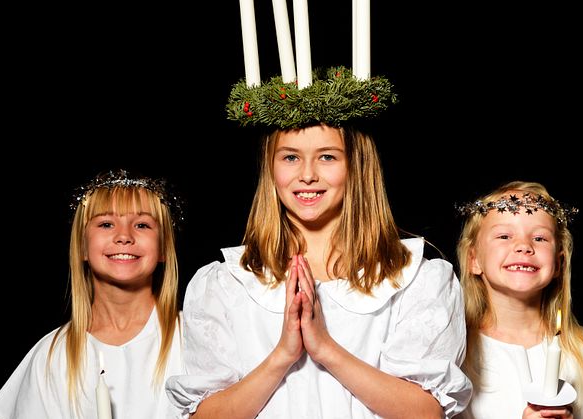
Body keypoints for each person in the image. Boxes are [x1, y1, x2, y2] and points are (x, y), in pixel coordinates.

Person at [165, 123, 472, 418]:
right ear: (270, 169)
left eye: (327, 157)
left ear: (357, 166)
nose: (307, 175)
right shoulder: (226, 284)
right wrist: (282, 356)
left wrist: (326, 349)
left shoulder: (414, 279)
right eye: (290, 157)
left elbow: (425, 413)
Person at [0, 169, 185, 419]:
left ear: (164, 248)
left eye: (142, 225)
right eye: (106, 224)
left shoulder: (193, 337)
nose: (124, 236)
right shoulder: (52, 355)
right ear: (82, 246)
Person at [455, 180, 583, 419]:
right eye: (504, 235)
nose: (523, 246)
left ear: (559, 263)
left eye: (540, 238)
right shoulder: (455, 352)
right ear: (473, 259)